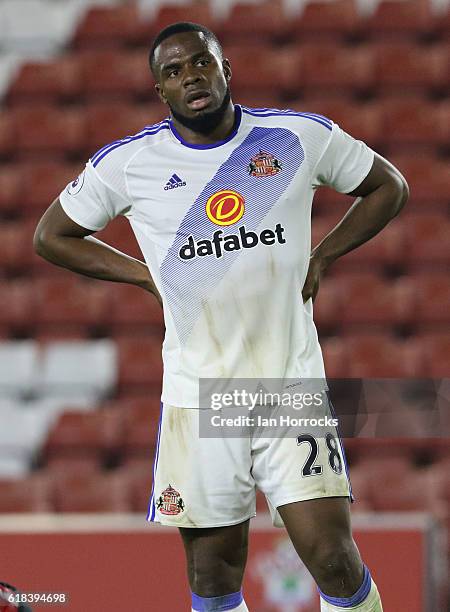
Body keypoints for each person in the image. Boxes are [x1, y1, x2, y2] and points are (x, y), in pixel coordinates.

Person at [34, 21, 408, 612]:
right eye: (174, 71)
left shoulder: (296, 138)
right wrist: (143, 276)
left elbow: (389, 186)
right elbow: (52, 235)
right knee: (213, 579)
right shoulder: (130, 164)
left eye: (201, 62)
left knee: (335, 560)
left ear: (225, 67)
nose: (192, 77)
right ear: (161, 90)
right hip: (200, 397)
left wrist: (326, 254)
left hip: (290, 388)